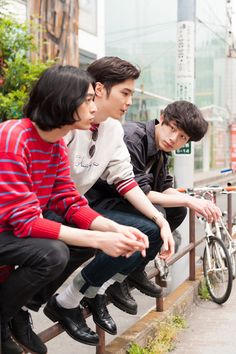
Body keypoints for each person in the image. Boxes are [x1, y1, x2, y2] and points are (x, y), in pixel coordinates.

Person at [0, 65, 149, 354]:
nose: (95, 107)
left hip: (9, 233)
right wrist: (100, 240)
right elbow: (25, 222)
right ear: (64, 100)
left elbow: (69, 201)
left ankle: (13, 313)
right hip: (7, 230)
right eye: (89, 99)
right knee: (54, 252)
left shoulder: (54, 146)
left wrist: (114, 228)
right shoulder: (13, 139)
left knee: (71, 240)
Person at [50, 56, 174, 328]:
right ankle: (29, 307)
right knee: (69, 247)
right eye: (125, 93)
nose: (129, 102)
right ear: (99, 89)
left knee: (147, 230)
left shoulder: (113, 130)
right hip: (52, 207)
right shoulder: (68, 126)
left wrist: (160, 219)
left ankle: (84, 294)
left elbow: (126, 180)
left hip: (76, 207)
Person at [91, 99, 222, 293]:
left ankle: (131, 272)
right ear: (162, 118)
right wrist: (187, 199)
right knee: (155, 222)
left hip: (120, 202)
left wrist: (193, 202)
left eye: (183, 137)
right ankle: (108, 283)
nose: (174, 139)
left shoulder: (161, 151)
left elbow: (164, 189)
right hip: (99, 202)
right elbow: (136, 191)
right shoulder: (133, 138)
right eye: (172, 128)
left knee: (177, 211)